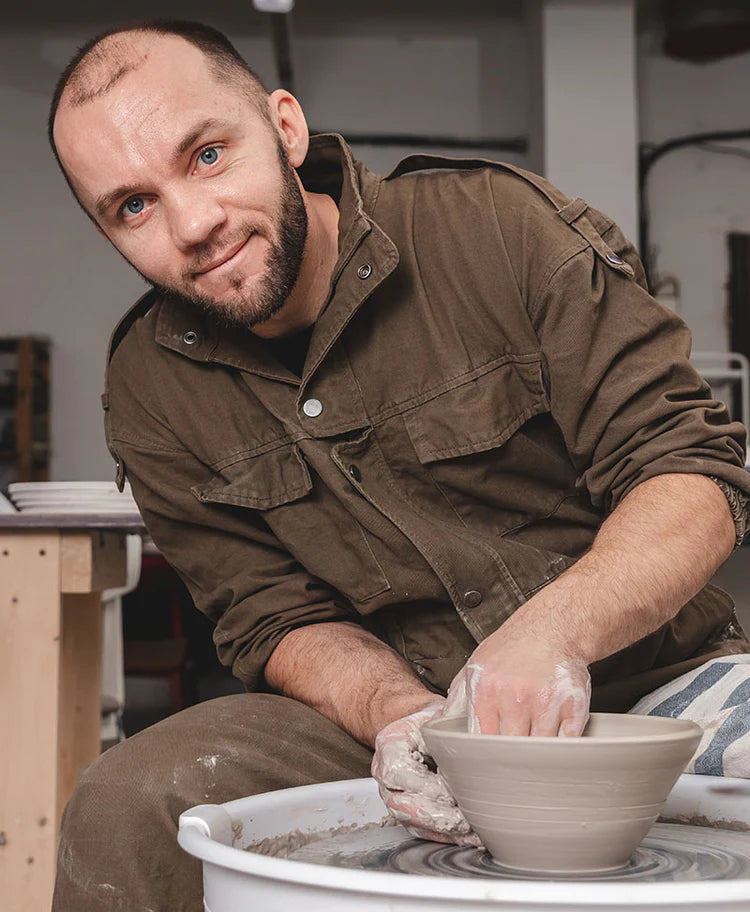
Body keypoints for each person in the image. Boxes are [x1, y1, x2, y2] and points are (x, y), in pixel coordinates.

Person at [48, 19, 750, 911]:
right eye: (133, 206)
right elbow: (269, 618)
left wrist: (552, 636)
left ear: (287, 129)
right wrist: (397, 714)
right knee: (126, 802)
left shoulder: (497, 229)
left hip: (651, 682)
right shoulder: (150, 386)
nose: (194, 224)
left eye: (210, 155)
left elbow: (690, 471)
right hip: (387, 722)